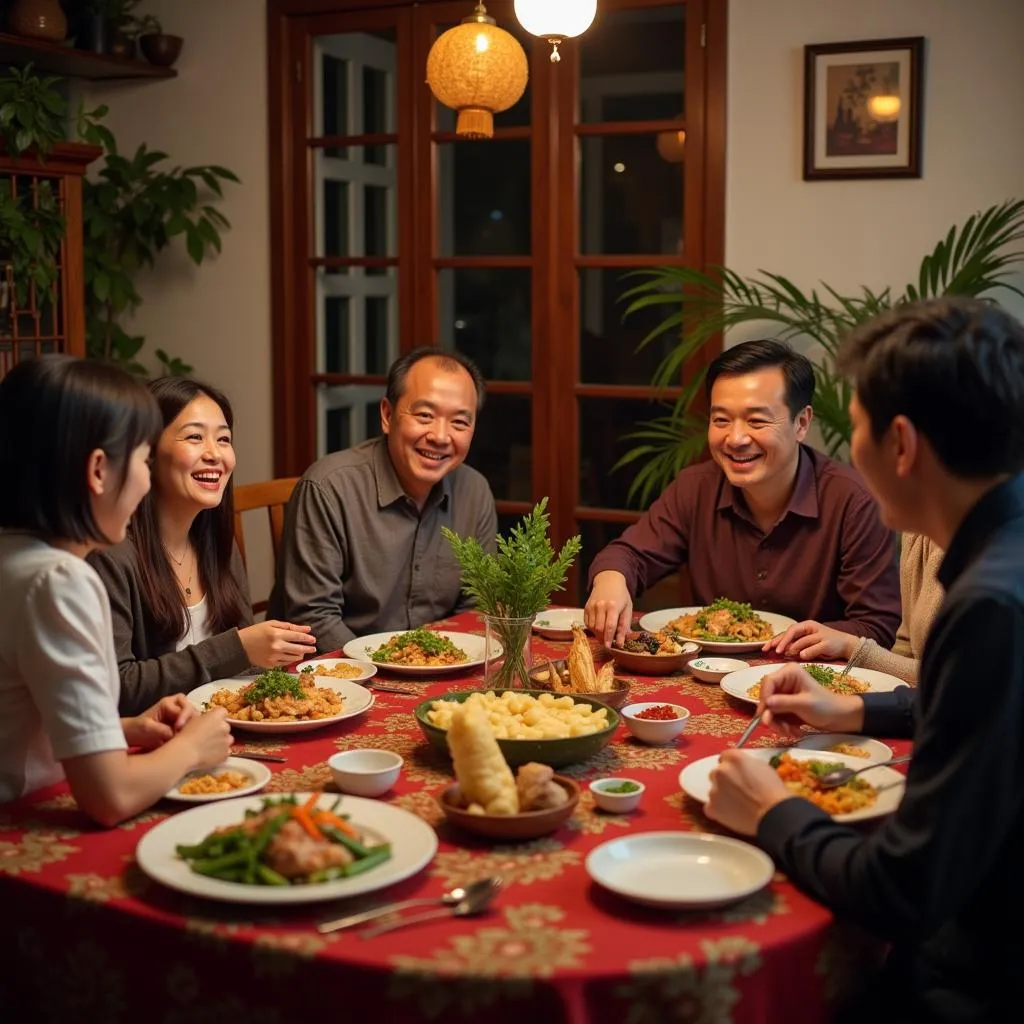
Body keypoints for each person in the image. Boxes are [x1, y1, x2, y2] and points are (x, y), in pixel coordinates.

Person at [706, 297, 1024, 1021]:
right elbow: (984, 710)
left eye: (854, 431)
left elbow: (906, 888)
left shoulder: (988, 606)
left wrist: (773, 811)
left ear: (902, 444)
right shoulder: (1003, 553)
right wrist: (850, 706)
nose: (848, 456)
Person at [0, 356, 232, 825]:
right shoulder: (58, 581)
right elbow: (111, 797)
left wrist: (122, 729)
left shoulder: (16, 558)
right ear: (99, 471)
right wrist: (191, 747)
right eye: (144, 460)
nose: (146, 482)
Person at [584, 339, 901, 647]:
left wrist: (834, 639)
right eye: (720, 419)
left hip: (813, 685)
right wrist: (611, 579)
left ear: (801, 423)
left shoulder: (853, 502)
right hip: (707, 675)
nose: (735, 438)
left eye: (756, 421)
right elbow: (628, 555)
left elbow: (877, 625)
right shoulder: (697, 487)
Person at [89, 378, 317, 716]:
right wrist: (236, 647)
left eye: (223, 439)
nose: (214, 454)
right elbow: (118, 689)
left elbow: (246, 669)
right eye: (195, 437)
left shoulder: (216, 544)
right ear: (145, 452)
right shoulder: (111, 556)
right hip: (152, 745)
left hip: (225, 729)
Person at [268, 347, 498, 652]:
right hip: (338, 676)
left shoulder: (474, 490)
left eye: (459, 422)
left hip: (436, 670)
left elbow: (477, 608)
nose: (441, 436)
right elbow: (315, 619)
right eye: (425, 415)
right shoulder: (328, 488)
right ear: (387, 415)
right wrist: (393, 668)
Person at [763, 531, 945, 683]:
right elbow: (905, 648)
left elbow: (953, 680)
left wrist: (850, 647)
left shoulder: (969, 549)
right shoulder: (916, 531)